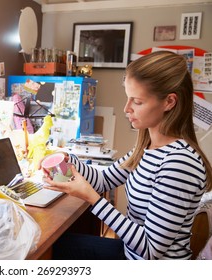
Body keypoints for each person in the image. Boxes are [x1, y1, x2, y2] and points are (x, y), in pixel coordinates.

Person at [42, 51, 212, 260]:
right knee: (52, 246)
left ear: (169, 102)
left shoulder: (179, 163)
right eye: (127, 98)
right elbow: (104, 180)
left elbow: (151, 250)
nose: (126, 108)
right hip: (129, 253)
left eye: (137, 102)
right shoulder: (148, 148)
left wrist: (91, 198)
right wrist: (70, 162)